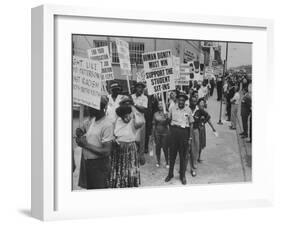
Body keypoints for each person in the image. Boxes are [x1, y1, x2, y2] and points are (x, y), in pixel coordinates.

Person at [76, 96, 114, 189]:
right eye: (88, 106)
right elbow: (80, 130)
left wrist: (86, 145)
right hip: (88, 164)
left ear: (101, 108)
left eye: (91, 107)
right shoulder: (92, 120)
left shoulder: (107, 125)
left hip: (99, 165)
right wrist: (79, 134)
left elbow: (106, 151)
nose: (88, 109)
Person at [109, 104, 144, 188]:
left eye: (128, 115)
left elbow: (141, 121)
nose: (126, 118)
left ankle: (129, 184)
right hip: (118, 148)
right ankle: (119, 183)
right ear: (121, 116)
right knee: (120, 168)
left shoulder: (134, 121)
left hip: (130, 149)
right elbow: (114, 133)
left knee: (129, 168)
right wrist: (114, 140)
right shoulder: (117, 121)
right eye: (124, 116)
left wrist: (133, 109)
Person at [165, 93, 193, 185]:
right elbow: (168, 120)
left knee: (182, 156)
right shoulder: (172, 108)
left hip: (184, 132)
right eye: (179, 100)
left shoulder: (188, 110)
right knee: (172, 155)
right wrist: (167, 118)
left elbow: (191, 124)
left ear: (185, 102)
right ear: (177, 101)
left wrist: (190, 137)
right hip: (174, 132)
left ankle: (182, 176)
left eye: (183, 100)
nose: (181, 102)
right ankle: (170, 174)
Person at [131, 82, 148, 165]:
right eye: (138, 87)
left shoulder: (145, 98)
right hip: (132, 121)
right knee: (133, 140)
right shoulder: (131, 97)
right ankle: (133, 157)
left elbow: (143, 109)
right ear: (135, 88)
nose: (140, 89)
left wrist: (134, 104)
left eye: (142, 88)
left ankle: (141, 156)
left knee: (141, 140)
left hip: (141, 121)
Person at [196, 98, 216, 163]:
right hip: (196, 128)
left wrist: (213, 128)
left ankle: (198, 157)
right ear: (198, 104)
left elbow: (208, 120)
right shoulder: (196, 111)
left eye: (203, 103)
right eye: (201, 103)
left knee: (201, 143)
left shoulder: (205, 112)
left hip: (201, 129)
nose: (202, 104)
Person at [152, 100, 169, 168]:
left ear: (164, 105)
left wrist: (167, 117)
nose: (160, 105)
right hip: (157, 132)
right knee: (158, 148)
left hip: (165, 132)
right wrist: (153, 134)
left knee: (165, 148)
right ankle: (158, 161)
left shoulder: (167, 113)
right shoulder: (155, 114)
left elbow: (169, 123)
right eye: (159, 104)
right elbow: (153, 125)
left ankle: (167, 162)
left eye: (161, 104)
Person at [189, 95, 200, 177]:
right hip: (187, 130)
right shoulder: (186, 109)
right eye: (192, 101)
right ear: (190, 101)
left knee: (195, 148)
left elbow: (207, 116)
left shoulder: (199, 110)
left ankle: (193, 166)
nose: (193, 103)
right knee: (187, 149)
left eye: (195, 101)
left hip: (195, 130)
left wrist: (202, 123)